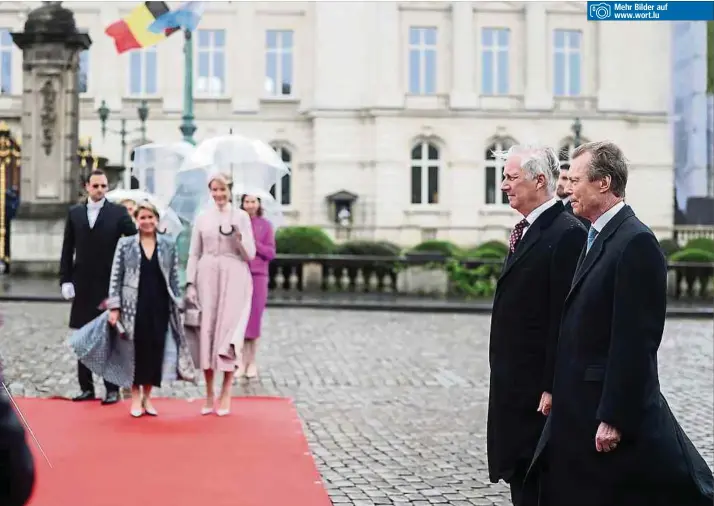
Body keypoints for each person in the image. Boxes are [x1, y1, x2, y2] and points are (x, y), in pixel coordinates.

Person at [524, 141, 714, 506]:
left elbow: (636, 342)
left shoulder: (635, 241)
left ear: (604, 183)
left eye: (576, 180)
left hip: (602, 414)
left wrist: (614, 417)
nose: (566, 188)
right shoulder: (596, 234)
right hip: (576, 406)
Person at [486, 145, 587, 506]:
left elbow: (565, 319)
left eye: (511, 178)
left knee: (538, 486)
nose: (503, 186)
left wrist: (551, 386)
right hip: (515, 387)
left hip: (538, 396)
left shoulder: (566, 233)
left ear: (540, 180)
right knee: (520, 481)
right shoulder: (526, 229)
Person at [106, 201, 195, 417]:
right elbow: (115, 277)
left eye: (150, 218)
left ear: (157, 219)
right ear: (137, 220)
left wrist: (178, 303)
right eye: (142, 218)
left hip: (160, 305)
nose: (147, 222)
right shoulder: (125, 245)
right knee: (136, 352)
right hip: (132, 307)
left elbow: (174, 277)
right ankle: (135, 397)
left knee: (156, 350)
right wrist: (114, 307)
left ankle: (147, 397)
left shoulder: (168, 244)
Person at [59, 169, 137, 404]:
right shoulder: (74, 213)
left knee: (108, 337)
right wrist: (65, 279)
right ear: (87, 186)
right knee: (83, 336)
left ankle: (111, 388)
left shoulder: (117, 213)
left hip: (108, 283)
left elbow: (133, 239)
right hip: (82, 282)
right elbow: (67, 248)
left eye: (104, 186)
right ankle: (86, 388)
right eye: (96, 186)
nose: (100, 190)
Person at [185, 174, 256, 416]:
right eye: (214, 190)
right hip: (207, 276)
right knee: (207, 332)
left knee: (227, 333)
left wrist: (238, 238)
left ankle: (226, 390)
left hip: (234, 274)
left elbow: (250, 254)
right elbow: (194, 253)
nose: (218, 194)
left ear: (230, 190)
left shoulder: (241, 216)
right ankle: (208, 391)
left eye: (222, 189)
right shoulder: (203, 218)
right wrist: (190, 283)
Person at [239, 194, 276, 379]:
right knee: (239, 320)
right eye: (247, 201)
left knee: (254, 320)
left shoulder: (266, 225)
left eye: (253, 201)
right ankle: (239, 361)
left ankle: (251, 361)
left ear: (258, 204)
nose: (250, 205)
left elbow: (270, 253)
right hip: (239, 274)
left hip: (258, 276)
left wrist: (254, 243)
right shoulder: (237, 223)